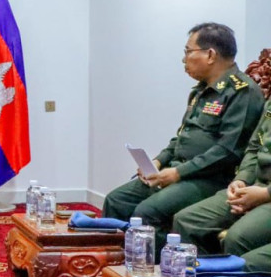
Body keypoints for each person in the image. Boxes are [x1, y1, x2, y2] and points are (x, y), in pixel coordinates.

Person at [103, 23, 265, 234]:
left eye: (188, 51)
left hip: (210, 178)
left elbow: (227, 151)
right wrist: (158, 161)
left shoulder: (242, 91)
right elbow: (182, 136)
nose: (184, 59)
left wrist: (178, 173)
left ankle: (152, 256)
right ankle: (108, 254)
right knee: (116, 200)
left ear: (210, 55)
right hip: (178, 170)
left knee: (147, 212)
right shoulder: (201, 91)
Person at [171, 97, 271, 269]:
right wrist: (241, 180)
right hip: (255, 184)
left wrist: (264, 194)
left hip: (266, 193)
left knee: (237, 238)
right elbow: (255, 147)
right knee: (187, 221)